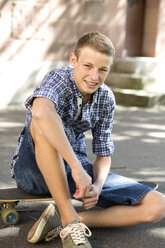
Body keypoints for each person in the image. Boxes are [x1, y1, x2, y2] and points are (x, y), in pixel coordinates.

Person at [11, 31, 165, 248]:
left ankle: (67, 218)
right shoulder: (58, 79)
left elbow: (103, 154)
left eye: (103, 70)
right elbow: (41, 113)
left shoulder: (106, 98)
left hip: (77, 173)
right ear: (73, 59)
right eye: (88, 66)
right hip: (33, 172)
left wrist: (98, 186)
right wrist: (77, 168)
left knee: (158, 205)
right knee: (43, 121)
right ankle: (70, 221)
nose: (95, 77)